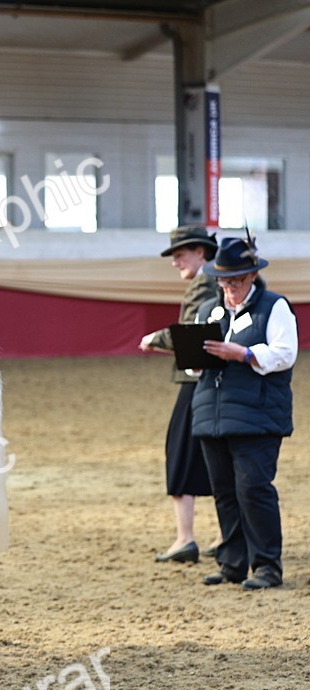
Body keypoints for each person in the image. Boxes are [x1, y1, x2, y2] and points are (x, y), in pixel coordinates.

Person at [193, 236, 297, 590]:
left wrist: (244, 354)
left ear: (252, 276)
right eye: (224, 282)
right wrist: (189, 353)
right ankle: (232, 562)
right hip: (213, 413)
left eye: (236, 281)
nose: (230, 289)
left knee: (254, 488)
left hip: (258, 414)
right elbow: (194, 367)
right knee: (224, 491)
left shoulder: (274, 306)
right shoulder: (208, 309)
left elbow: (285, 354)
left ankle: (267, 565)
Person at [139, 226, 218, 563]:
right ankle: (226, 532)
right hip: (214, 381)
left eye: (180, 254)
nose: (175, 262)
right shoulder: (215, 279)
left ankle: (185, 538)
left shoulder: (204, 282)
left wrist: (155, 338)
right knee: (215, 454)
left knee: (181, 449)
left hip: (196, 380)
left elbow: (190, 335)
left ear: (201, 252)